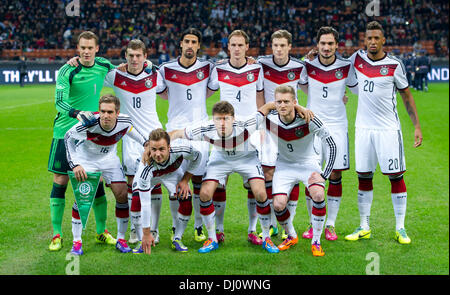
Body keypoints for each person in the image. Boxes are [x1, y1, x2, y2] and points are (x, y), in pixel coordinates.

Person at [345, 21, 423, 244]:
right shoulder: (356, 59)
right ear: (364, 40)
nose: (372, 42)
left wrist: (416, 126)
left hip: (388, 129)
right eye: (368, 38)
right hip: (363, 129)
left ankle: (400, 228)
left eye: (376, 38)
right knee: (364, 176)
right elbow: (339, 70)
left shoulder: (394, 64)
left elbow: (407, 96)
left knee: (395, 176)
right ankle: (364, 225)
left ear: (383, 40)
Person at [169, 101, 280, 254]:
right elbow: (176, 133)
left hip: (246, 158)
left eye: (226, 119)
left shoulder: (246, 124)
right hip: (220, 159)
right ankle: (212, 238)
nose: (222, 123)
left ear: (233, 119)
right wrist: (160, 144)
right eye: (218, 119)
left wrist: (299, 108)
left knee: (261, 193)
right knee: (205, 193)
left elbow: (268, 107)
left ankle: (266, 237)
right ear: (212, 119)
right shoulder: (205, 129)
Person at [48, 31, 116, 252]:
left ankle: (101, 232)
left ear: (97, 49)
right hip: (64, 132)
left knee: (94, 182)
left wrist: (148, 66)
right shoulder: (67, 70)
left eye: (90, 48)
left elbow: (124, 71)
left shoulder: (104, 65)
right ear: (78, 49)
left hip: (89, 135)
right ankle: (57, 235)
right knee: (60, 181)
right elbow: (59, 102)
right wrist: (76, 112)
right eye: (83, 48)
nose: (86, 51)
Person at [64, 94, 147, 255]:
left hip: (109, 159)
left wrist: (147, 146)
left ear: (117, 113)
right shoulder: (88, 123)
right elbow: (68, 137)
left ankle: (121, 239)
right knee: (82, 198)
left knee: (122, 194)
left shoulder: (124, 122)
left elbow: (140, 138)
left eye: (110, 112)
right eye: (102, 111)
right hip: (86, 159)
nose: (105, 116)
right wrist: (75, 164)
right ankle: (77, 242)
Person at [207, 29, 266, 246]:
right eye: (233, 45)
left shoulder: (256, 68)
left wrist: (262, 129)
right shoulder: (219, 69)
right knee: (220, 184)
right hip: (223, 131)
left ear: (247, 47)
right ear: (228, 47)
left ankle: (253, 230)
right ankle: (219, 230)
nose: (237, 49)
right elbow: (206, 92)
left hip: (249, 134)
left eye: (241, 45)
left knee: (252, 185)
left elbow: (260, 98)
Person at [262, 85, 337, 256]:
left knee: (318, 194)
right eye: (279, 102)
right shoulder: (270, 118)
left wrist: (324, 175)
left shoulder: (309, 118)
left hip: (308, 163)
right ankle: (291, 235)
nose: (282, 105)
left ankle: (316, 241)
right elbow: (256, 114)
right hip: (284, 165)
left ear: (295, 102)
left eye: (287, 102)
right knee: (278, 205)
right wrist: (271, 106)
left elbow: (332, 144)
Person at [103, 39, 165, 245]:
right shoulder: (116, 75)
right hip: (129, 137)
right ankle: (134, 228)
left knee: (154, 183)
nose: (135, 59)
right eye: (131, 55)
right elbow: (94, 70)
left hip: (154, 135)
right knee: (132, 184)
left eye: (139, 56)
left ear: (145, 57)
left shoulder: (156, 75)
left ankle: (153, 230)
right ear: (126, 56)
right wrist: (74, 61)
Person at [302, 26, 358, 241]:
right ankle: (311, 222)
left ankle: (331, 225)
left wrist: (342, 96)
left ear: (337, 45)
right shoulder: (307, 65)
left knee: (335, 175)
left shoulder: (346, 67)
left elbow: (355, 89)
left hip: (337, 126)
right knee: (312, 174)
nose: (326, 47)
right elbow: (301, 86)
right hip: (313, 127)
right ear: (317, 45)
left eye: (330, 43)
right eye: (322, 43)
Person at [158, 28, 213, 243]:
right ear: (181, 44)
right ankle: (175, 225)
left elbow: (210, 90)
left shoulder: (208, 68)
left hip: (200, 131)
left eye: (194, 42)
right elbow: (162, 94)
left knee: (198, 181)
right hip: (175, 131)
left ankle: (198, 226)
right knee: (176, 182)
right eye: (187, 41)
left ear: (199, 46)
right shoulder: (166, 69)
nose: (190, 45)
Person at [256, 29, 308, 240]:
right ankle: (269, 224)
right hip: (269, 126)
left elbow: (311, 86)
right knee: (267, 172)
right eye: (275, 45)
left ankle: (289, 222)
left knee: (292, 172)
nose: (278, 49)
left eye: (282, 45)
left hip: (291, 125)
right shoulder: (260, 63)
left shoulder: (299, 67)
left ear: (289, 47)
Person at [132, 128, 202, 254]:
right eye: (154, 149)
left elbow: (198, 157)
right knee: (136, 201)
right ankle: (141, 239)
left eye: (161, 149)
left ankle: (177, 238)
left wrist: (185, 180)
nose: (158, 154)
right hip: (151, 176)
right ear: (149, 148)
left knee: (186, 197)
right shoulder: (145, 168)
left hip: (172, 174)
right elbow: (146, 204)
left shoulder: (181, 148)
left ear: (169, 147)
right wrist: (146, 233)